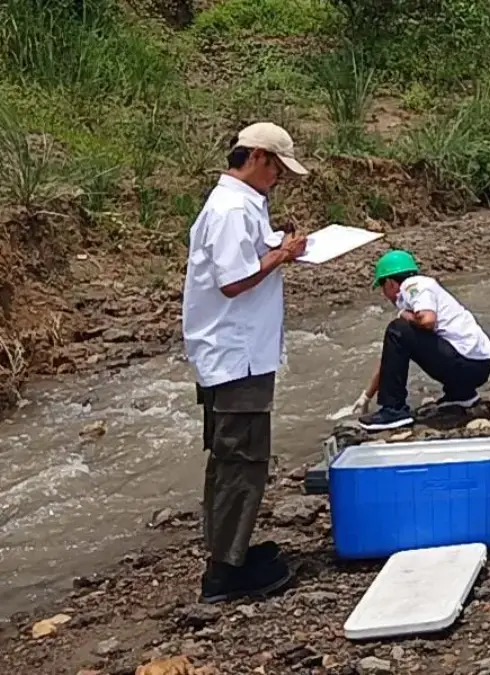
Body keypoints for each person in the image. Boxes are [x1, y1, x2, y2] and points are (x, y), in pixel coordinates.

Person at [182, 122, 310, 604]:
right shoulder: (232, 208)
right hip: (237, 356)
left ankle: (228, 554)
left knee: (230, 457)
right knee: (243, 460)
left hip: (230, 353)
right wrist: (283, 255)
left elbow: (242, 259)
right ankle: (224, 572)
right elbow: (234, 281)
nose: (279, 178)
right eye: (276, 168)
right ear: (256, 157)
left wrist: (278, 246)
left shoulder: (239, 203)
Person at [354, 250, 490, 431]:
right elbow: (390, 359)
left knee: (397, 328)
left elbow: (428, 320)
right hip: (478, 365)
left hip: (468, 367)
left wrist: (404, 315)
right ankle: (461, 394)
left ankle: (394, 410)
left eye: (383, 288)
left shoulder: (413, 286)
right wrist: (366, 396)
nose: (385, 295)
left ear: (390, 283)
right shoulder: (423, 289)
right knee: (400, 331)